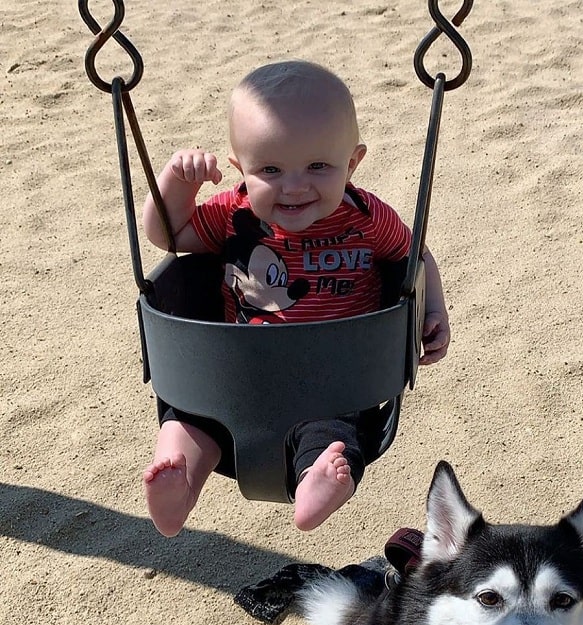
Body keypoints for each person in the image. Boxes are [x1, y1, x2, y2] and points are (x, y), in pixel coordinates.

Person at [142, 59, 450, 536]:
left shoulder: (367, 218)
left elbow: (415, 256)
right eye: (270, 169)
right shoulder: (233, 211)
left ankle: (315, 484)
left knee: (335, 440)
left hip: (332, 385)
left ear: (352, 163)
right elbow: (171, 235)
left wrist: (434, 310)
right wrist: (177, 184)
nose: (294, 186)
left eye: (318, 166)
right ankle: (178, 477)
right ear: (239, 168)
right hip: (237, 380)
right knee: (190, 417)